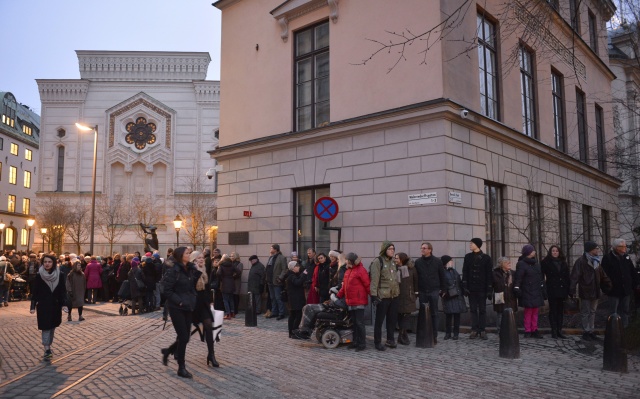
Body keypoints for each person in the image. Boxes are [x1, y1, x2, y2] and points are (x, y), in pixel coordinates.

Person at [161, 247, 199, 378]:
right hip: (177, 307)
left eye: (189, 253)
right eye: (187, 253)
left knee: (185, 337)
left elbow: (193, 287)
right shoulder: (173, 270)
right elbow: (167, 290)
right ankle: (181, 367)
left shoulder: (191, 269)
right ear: (180, 255)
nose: (189, 255)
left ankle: (168, 352)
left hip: (188, 306)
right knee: (183, 336)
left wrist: (193, 299)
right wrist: (180, 301)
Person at [570, 241, 612, 340]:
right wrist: (571, 290)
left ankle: (591, 330)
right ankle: (586, 331)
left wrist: (609, 284)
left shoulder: (597, 261)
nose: (598, 250)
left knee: (593, 311)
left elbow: (603, 275)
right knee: (585, 312)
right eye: (596, 248)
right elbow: (574, 276)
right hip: (586, 290)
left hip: (596, 290)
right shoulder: (581, 261)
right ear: (590, 250)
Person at [30, 255, 68, 360]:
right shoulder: (39, 275)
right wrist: (33, 305)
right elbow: (35, 291)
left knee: (52, 327)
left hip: (55, 305)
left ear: (53, 263)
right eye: (45, 262)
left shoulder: (60, 274)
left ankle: (48, 346)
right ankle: (47, 349)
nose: (47, 264)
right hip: (43, 305)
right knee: (46, 327)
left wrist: (64, 304)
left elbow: (62, 291)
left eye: (49, 262)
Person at [190, 250, 219, 367]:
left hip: (203, 304)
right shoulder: (190, 271)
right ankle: (177, 349)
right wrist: (196, 271)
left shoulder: (205, 271)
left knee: (208, 326)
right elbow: (190, 287)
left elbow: (207, 289)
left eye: (202, 258)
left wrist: (211, 301)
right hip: (192, 305)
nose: (201, 260)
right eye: (198, 258)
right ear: (193, 260)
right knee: (185, 331)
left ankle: (211, 355)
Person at [337, 252, 370, 352]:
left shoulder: (361, 270)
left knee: (360, 323)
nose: (346, 263)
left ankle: (362, 343)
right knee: (354, 323)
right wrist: (338, 295)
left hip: (359, 300)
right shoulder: (348, 271)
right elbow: (345, 286)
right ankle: (355, 342)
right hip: (350, 301)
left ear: (352, 261)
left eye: (347, 261)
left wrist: (373, 296)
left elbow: (367, 284)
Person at [414, 242, 446, 343]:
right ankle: (424, 335)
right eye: (421, 248)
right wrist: (416, 291)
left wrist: (443, 289)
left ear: (430, 250)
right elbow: (416, 277)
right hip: (422, 291)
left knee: (434, 313)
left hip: (434, 290)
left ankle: (434, 335)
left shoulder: (437, 261)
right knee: (423, 313)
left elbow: (442, 275)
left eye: (424, 248)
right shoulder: (418, 262)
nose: (422, 250)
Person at [370, 241, 400, 350]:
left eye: (393, 249)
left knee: (392, 320)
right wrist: (373, 295)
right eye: (390, 249)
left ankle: (390, 339)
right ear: (384, 250)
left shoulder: (393, 262)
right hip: (383, 296)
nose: (392, 251)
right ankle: (377, 342)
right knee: (379, 321)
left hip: (394, 295)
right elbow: (374, 280)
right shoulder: (378, 262)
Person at [601, 238, 637, 328]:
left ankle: (623, 330)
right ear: (616, 248)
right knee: (613, 312)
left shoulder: (626, 257)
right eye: (621, 247)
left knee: (625, 311)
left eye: (625, 246)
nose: (624, 249)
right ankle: (612, 331)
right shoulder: (608, 258)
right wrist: (606, 288)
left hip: (626, 290)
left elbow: (632, 271)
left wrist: (635, 284)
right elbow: (603, 275)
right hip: (614, 290)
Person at [462, 238, 493, 340]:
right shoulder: (468, 257)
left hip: (482, 288)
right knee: (473, 309)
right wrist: (465, 286)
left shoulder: (486, 258)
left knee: (483, 310)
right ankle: (474, 329)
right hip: (472, 288)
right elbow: (465, 272)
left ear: (477, 245)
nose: (470, 245)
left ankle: (482, 329)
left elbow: (489, 274)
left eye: (472, 243)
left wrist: (489, 289)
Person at [514, 244, 545, 338]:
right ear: (528, 252)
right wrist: (517, 287)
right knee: (528, 312)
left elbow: (540, 277)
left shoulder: (536, 263)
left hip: (536, 290)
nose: (534, 252)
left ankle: (534, 329)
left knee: (535, 312)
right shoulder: (521, 263)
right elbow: (519, 277)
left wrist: (542, 286)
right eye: (532, 251)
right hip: (527, 290)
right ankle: (527, 330)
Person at [541, 246, 571, 338]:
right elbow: (541, 276)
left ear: (559, 252)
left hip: (562, 289)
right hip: (552, 289)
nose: (555, 252)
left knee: (560, 311)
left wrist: (568, 289)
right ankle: (554, 331)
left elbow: (567, 277)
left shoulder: (563, 262)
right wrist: (543, 288)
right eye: (553, 251)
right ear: (550, 252)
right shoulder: (545, 262)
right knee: (553, 310)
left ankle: (559, 330)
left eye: (556, 251)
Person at [441, 255, 467, 340]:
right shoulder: (442, 272)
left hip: (457, 296)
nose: (452, 262)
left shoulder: (454, 271)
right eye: (450, 261)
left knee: (457, 316)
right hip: (449, 296)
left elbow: (459, 282)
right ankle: (448, 333)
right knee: (448, 316)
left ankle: (456, 333)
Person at [394, 252, 418, 345]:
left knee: (406, 316)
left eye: (397, 258)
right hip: (398, 296)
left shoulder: (411, 269)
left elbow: (415, 282)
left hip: (408, 296)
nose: (395, 259)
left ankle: (402, 334)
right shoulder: (394, 269)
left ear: (402, 259)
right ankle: (402, 335)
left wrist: (415, 294)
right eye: (395, 258)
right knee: (400, 316)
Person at [492, 257, 517, 334]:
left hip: (511, 296)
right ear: (502, 265)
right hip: (500, 296)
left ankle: (511, 332)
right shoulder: (495, 273)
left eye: (509, 262)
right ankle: (500, 332)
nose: (509, 264)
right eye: (507, 263)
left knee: (511, 314)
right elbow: (495, 284)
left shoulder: (512, 273)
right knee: (500, 314)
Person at [287, 261, 306, 338]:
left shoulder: (293, 275)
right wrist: (304, 275)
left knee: (293, 315)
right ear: (293, 268)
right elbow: (298, 282)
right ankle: (294, 332)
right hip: (295, 299)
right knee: (297, 315)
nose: (298, 267)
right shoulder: (291, 276)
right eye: (297, 266)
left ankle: (292, 332)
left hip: (294, 299)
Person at [269, 244, 288, 320]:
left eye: (271, 248)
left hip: (277, 281)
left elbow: (284, 269)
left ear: (276, 249)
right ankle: (274, 312)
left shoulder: (282, 258)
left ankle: (281, 313)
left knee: (278, 298)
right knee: (272, 298)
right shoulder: (271, 257)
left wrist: (280, 277)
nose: (270, 249)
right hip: (270, 281)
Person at [218, 254, 236, 319]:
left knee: (225, 300)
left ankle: (228, 314)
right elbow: (238, 272)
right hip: (231, 283)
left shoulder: (221, 265)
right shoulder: (232, 264)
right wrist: (233, 276)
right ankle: (232, 312)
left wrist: (222, 278)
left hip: (225, 283)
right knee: (231, 299)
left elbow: (218, 273)